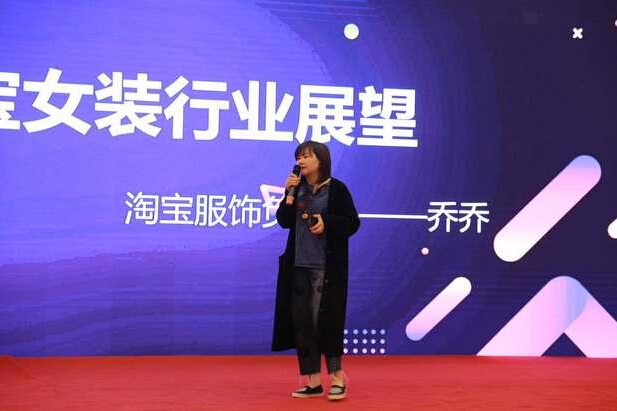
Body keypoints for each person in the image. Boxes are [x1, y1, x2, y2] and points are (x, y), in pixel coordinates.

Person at [271, 141, 360, 401]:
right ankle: (312, 381)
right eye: (298, 157)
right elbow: (284, 221)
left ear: (321, 160)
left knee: (327, 323)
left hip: (326, 268)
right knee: (302, 323)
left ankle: (337, 377)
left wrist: (326, 222)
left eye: (306, 156)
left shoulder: (337, 189)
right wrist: (288, 194)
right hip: (298, 265)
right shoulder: (297, 188)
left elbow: (352, 223)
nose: (300, 161)